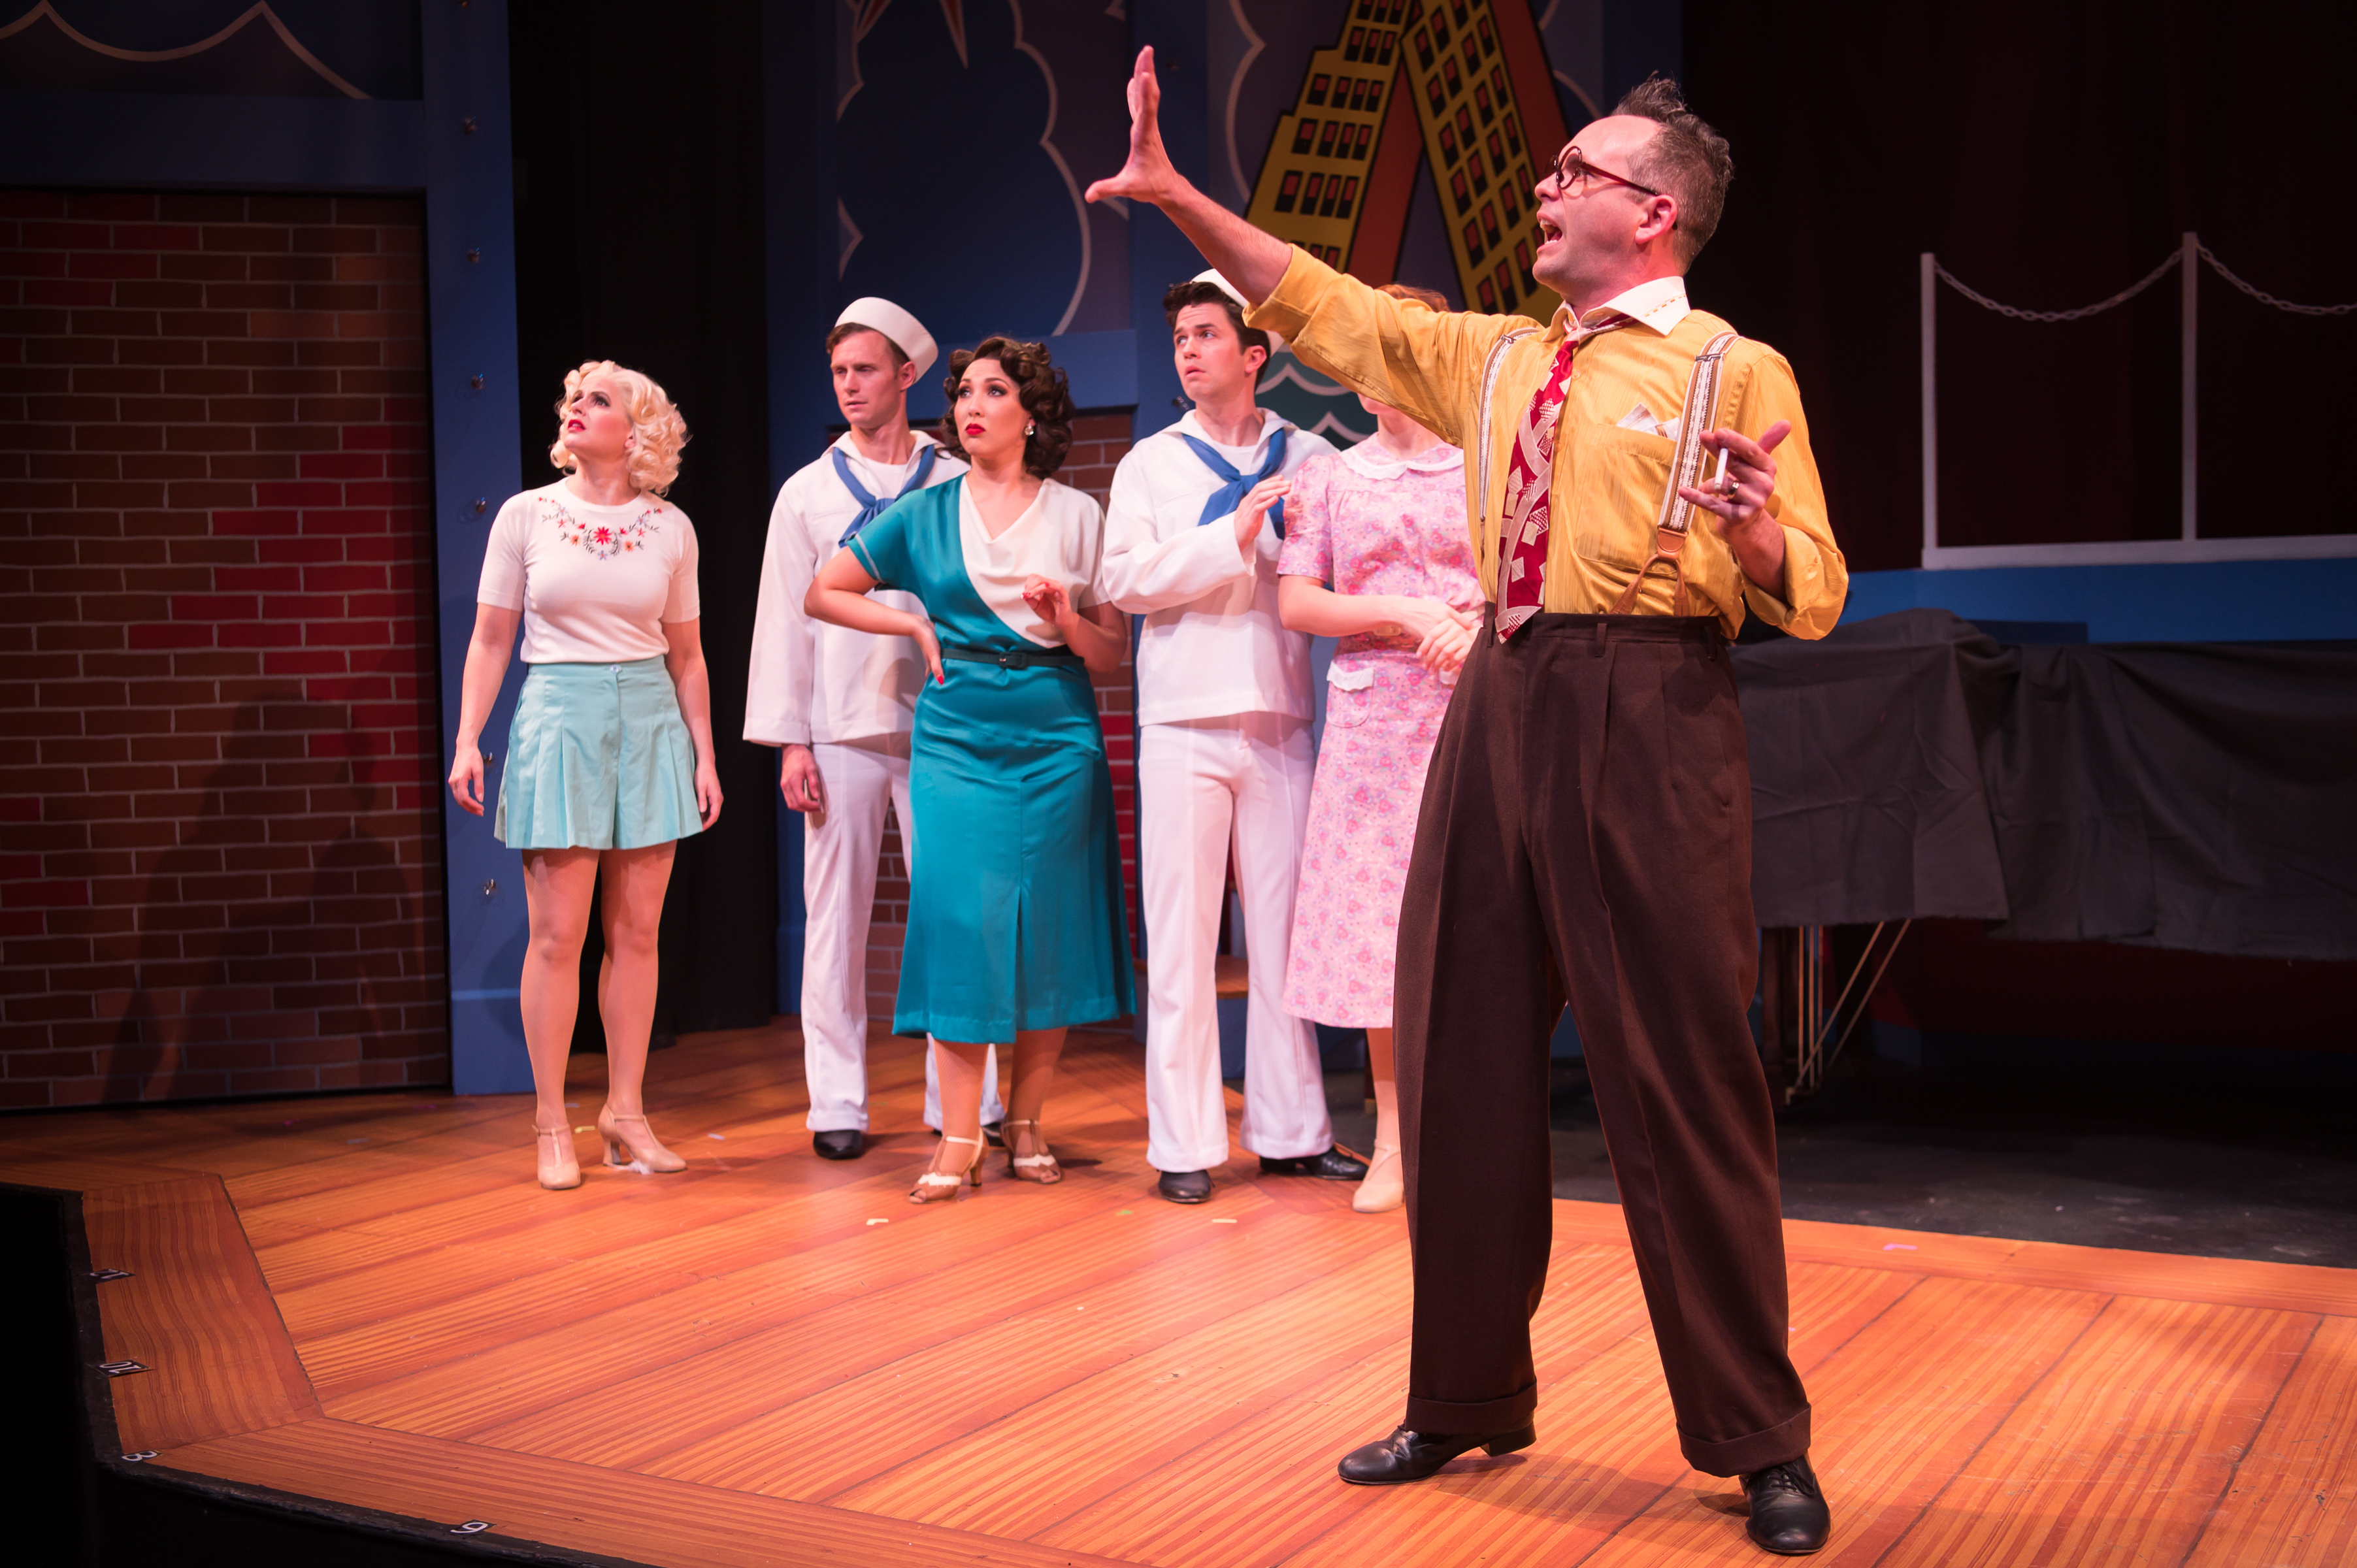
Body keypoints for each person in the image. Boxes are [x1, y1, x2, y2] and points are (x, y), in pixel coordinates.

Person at [1089, 56, 1847, 1556]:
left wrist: (1759, 538)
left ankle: (1757, 1436)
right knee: (1453, 1059)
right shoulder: (1497, 358)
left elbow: (1813, 588)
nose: (1545, 188)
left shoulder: (1734, 370)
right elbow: (1320, 298)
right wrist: (1176, 196)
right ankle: (1464, 1393)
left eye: (1577, 171)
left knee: (1685, 1077)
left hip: (1655, 701)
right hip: (1502, 694)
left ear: (1656, 210)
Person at [805, 336, 1135, 1204]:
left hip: (1056, 733)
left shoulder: (1077, 514)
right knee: (961, 925)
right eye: (962, 393)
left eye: (993, 391)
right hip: (956, 737)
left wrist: (1066, 618)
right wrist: (912, 626)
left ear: (1031, 414)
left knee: (1048, 930)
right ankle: (959, 1135)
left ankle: (1023, 1123)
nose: (971, 406)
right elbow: (824, 591)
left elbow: (1110, 653)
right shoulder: (922, 513)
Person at [1100, 271, 1368, 1207]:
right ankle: (1182, 1143)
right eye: (1180, 337)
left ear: (1255, 355)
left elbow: (1337, 567)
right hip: (1181, 718)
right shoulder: (1151, 463)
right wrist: (1233, 535)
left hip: (1280, 714)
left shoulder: (1311, 455)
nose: (1188, 350)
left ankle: (1292, 1134)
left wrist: (1277, 538)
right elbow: (1124, 581)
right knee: (1180, 940)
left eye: (1206, 334)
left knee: (1286, 939)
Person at [450, 360, 723, 1192]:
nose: (575, 406)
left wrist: (705, 754)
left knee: (637, 934)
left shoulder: (671, 527)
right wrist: (468, 740)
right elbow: (491, 638)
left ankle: (625, 1113)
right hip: (559, 717)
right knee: (558, 937)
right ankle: (549, 1121)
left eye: (597, 399)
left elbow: (687, 655)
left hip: (649, 720)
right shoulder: (526, 514)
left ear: (637, 429)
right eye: (573, 396)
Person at [745, 299, 1002, 1162]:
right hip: (841, 725)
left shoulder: (955, 476)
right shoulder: (808, 492)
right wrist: (791, 739)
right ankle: (836, 1104)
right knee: (834, 921)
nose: (849, 386)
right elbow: (783, 620)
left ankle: (964, 1100)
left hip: (947, 725)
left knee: (956, 911)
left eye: (863, 369)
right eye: (838, 373)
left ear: (906, 374)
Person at [1274, 282, 1485, 1216]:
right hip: (1371, 724)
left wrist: (1473, 627)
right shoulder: (1329, 477)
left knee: (1474, 917)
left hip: (1469, 705)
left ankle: (1473, 1137)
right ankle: (1394, 1143)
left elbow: (1524, 577)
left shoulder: (1483, 465)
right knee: (1377, 931)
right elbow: (1297, 601)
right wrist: (1402, 611)